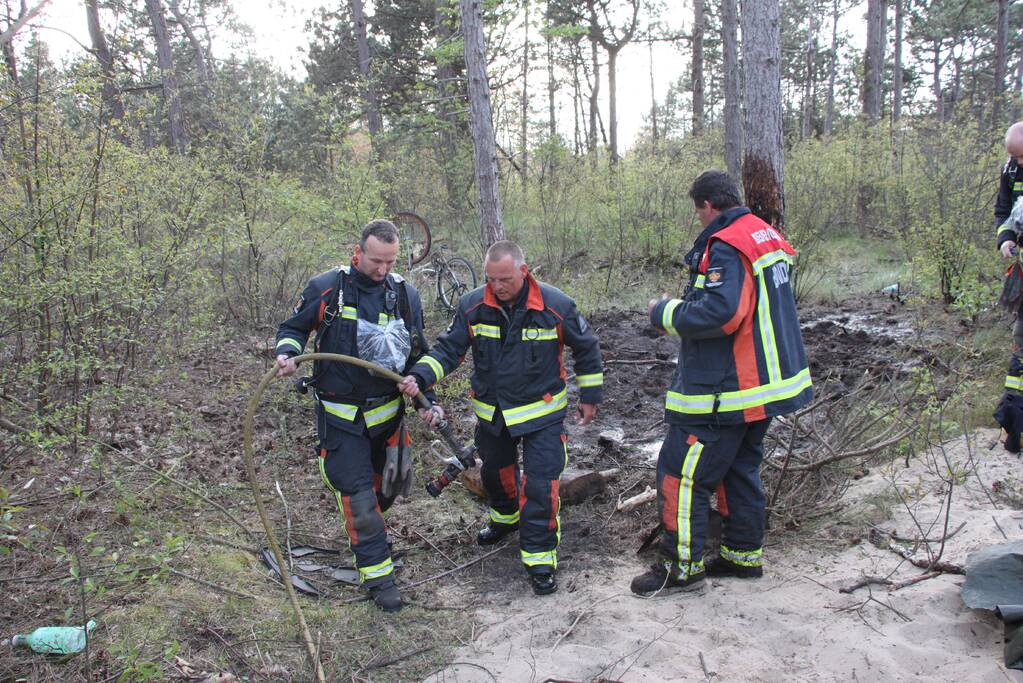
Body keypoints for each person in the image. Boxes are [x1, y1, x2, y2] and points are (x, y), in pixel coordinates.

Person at [631, 170, 813, 596]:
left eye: (698, 211)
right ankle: (741, 556)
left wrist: (663, 311)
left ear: (708, 205)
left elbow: (722, 313)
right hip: (764, 387)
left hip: (727, 389)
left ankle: (681, 568)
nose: (699, 218)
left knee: (681, 475)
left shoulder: (728, 244)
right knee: (738, 469)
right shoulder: (765, 235)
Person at [398, 240, 603, 596]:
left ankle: (539, 558)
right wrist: (420, 375)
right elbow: (449, 349)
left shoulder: (555, 305)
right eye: (491, 279)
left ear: (524, 271)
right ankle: (505, 518)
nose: (497, 286)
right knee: (496, 473)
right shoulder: (473, 305)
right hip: (493, 413)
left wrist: (590, 396)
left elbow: (586, 346)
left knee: (541, 484)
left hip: (542, 414)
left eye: (505, 279)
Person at [274, 219, 440, 613]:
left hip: (388, 421)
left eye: (390, 262)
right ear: (357, 253)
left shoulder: (405, 295)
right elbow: (293, 328)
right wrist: (287, 353)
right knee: (359, 499)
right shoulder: (327, 289)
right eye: (375, 261)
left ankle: (371, 539)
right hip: (342, 421)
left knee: (386, 492)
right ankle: (379, 578)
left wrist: (427, 400)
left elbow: (418, 354)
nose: (382, 270)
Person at [996, 122, 1023, 397]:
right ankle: (1014, 407)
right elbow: (1003, 210)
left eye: (1022, 156)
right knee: (1021, 336)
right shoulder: (1010, 170)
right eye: (1014, 156)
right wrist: (1005, 239)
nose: (1019, 162)